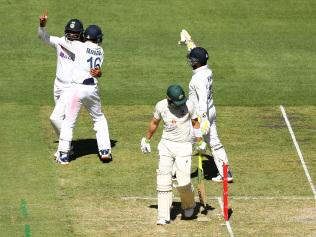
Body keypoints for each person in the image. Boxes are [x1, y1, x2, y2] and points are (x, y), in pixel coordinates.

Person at [37, 12, 101, 157]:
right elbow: (43, 36)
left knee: (55, 118)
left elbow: (95, 62)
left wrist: (98, 73)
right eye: (70, 32)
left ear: (81, 34)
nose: (72, 35)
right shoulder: (60, 42)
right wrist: (42, 25)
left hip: (71, 87)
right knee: (62, 119)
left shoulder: (83, 48)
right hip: (58, 85)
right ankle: (66, 145)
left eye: (75, 32)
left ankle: (66, 147)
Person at [141, 85, 206, 225]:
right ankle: (163, 215)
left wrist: (199, 141)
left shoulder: (189, 105)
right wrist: (146, 139)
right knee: (163, 180)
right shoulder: (161, 106)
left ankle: (189, 205)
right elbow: (154, 122)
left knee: (183, 182)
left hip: (184, 146)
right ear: (168, 99)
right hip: (166, 145)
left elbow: (195, 123)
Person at [179, 29, 233, 183]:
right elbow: (198, 54)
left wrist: (203, 121)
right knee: (214, 142)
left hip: (200, 115)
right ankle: (226, 172)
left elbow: (202, 100)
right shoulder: (206, 70)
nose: (190, 61)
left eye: (192, 60)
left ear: (196, 62)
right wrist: (189, 42)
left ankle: (179, 173)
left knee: (185, 142)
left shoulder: (198, 79)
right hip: (211, 111)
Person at [53, 24, 112, 164]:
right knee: (99, 119)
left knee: (68, 122)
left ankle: (63, 154)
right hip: (92, 90)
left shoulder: (78, 46)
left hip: (76, 90)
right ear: (98, 38)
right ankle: (105, 151)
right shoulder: (101, 51)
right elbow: (97, 71)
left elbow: (65, 41)